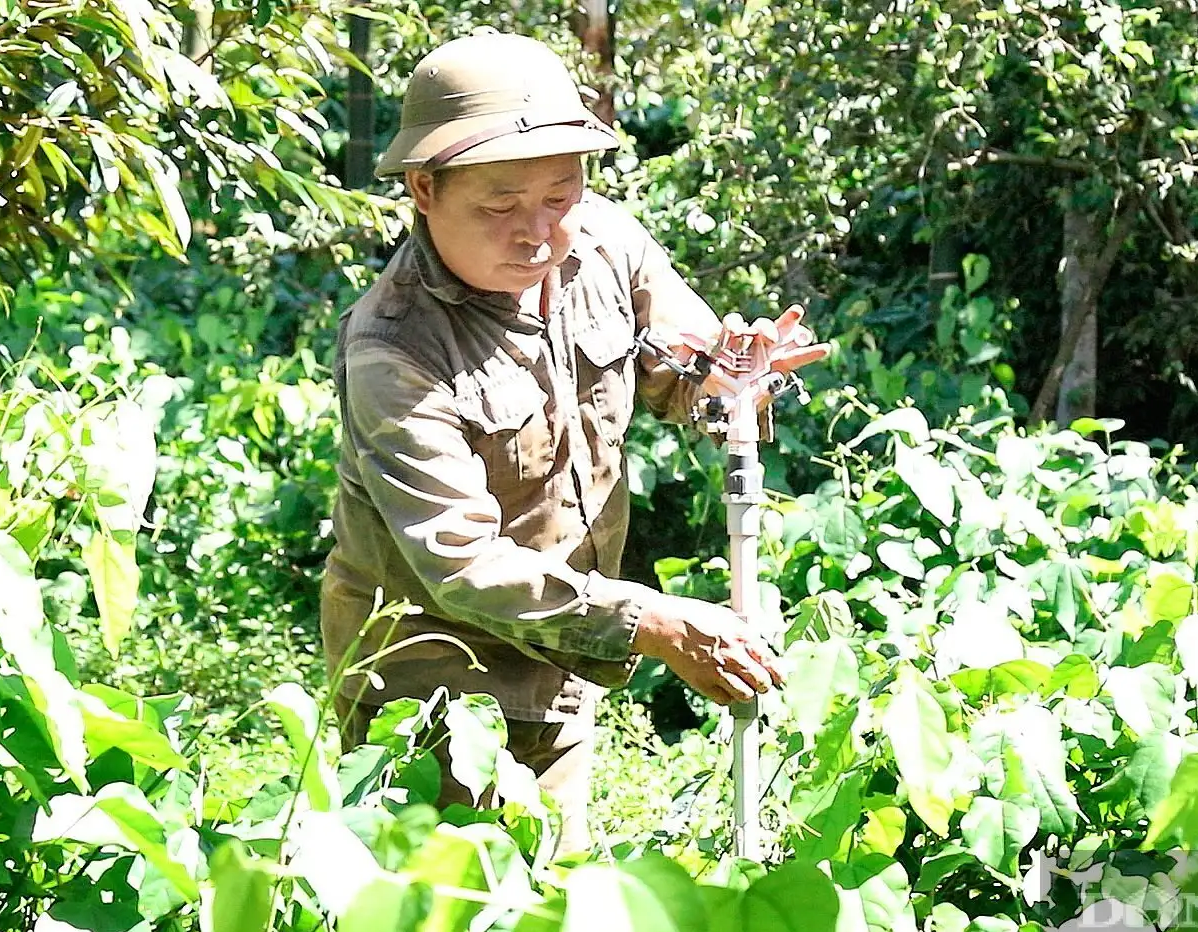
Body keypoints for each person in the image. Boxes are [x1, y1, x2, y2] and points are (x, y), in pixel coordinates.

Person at [319, 30, 827, 853]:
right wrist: (657, 624)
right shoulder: (395, 349)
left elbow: (683, 364)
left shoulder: (602, 244)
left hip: (564, 658)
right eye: (500, 205)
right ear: (424, 188)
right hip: (431, 692)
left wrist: (729, 381)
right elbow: (462, 565)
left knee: (550, 919)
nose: (539, 232)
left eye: (560, 194)